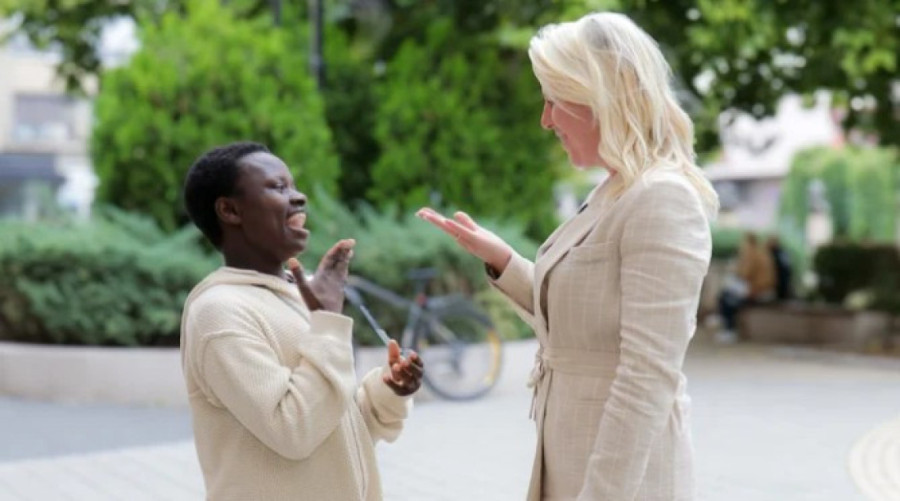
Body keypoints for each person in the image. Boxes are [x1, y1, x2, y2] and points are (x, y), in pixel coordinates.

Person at [418, 12, 717, 501]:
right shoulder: (615, 191)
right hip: (572, 460)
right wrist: (504, 261)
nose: (545, 119)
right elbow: (584, 319)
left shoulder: (662, 198)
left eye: (554, 100)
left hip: (619, 480)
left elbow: (647, 377)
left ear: (598, 96)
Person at [180, 141, 423, 501]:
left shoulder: (296, 291)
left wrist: (387, 391)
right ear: (230, 210)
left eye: (293, 185)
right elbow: (293, 429)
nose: (299, 198)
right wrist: (326, 319)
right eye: (278, 188)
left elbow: (331, 424)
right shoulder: (220, 313)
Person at [717, 232, 776, 342]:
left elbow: (744, 274)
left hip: (758, 291)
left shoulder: (753, 254)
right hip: (761, 289)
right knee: (728, 293)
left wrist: (737, 267)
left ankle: (729, 328)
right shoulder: (760, 252)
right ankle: (724, 322)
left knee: (727, 297)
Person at [767, 235, 792, 301]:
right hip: (774, 284)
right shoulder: (769, 253)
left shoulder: (781, 253)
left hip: (781, 282)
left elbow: (787, 269)